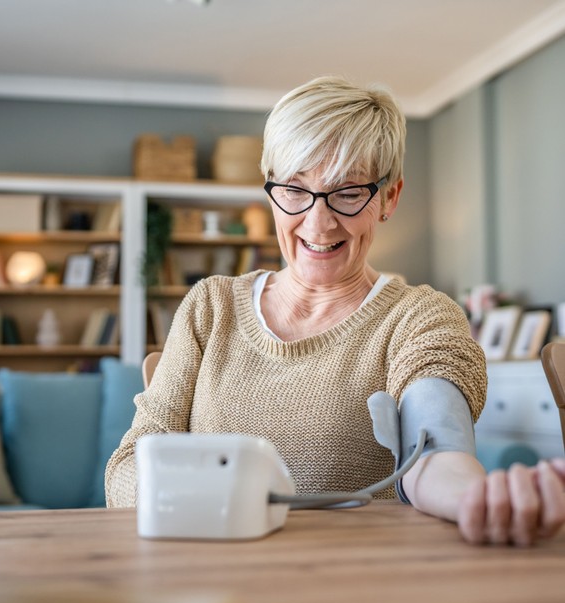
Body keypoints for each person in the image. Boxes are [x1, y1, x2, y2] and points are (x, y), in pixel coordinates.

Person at [105, 76, 565, 546]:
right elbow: (127, 468)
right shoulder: (209, 307)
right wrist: (219, 500)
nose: (318, 222)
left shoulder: (420, 317)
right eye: (295, 189)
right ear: (271, 193)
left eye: (348, 193)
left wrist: (479, 498)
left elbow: (435, 453)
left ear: (389, 197)